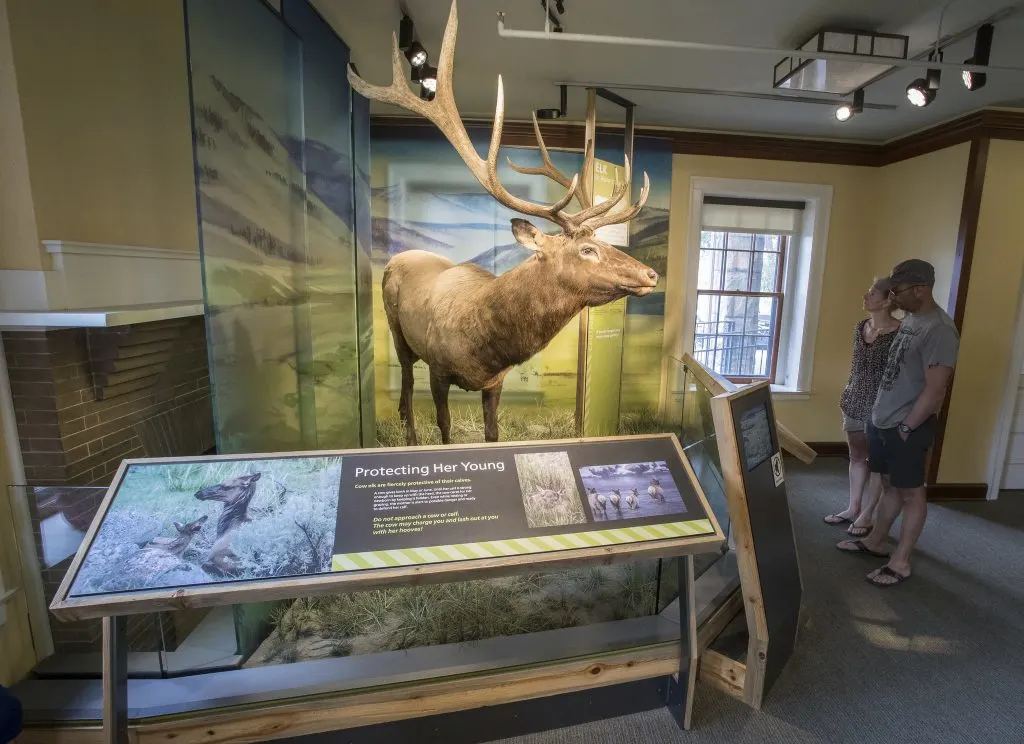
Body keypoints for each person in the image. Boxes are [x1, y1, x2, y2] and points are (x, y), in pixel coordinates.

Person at [837, 259, 959, 587]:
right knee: (890, 486)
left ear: (921, 289)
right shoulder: (911, 320)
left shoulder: (940, 330)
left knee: (912, 494)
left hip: (907, 427)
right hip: (882, 418)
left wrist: (907, 426)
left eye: (898, 291)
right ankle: (877, 541)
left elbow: (935, 390)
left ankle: (901, 562)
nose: (893, 298)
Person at [823, 276, 901, 537]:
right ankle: (853, 508)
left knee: (878, 463)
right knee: (857, 457)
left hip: (882, 407)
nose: (866, 297)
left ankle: (868, 514)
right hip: (854, 400)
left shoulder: (900, 333)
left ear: (888, 300)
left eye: (871, 293)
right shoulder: (860, 327)